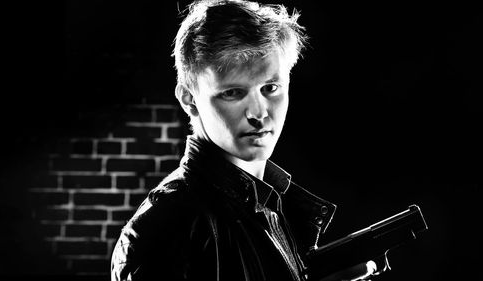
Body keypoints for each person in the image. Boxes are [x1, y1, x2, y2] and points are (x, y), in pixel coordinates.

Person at [111, 1, 374, 280]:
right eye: (233, 93)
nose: (258, 112)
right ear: (189, 99)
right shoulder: (168, 225)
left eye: (270, 88)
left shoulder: (270, 206)